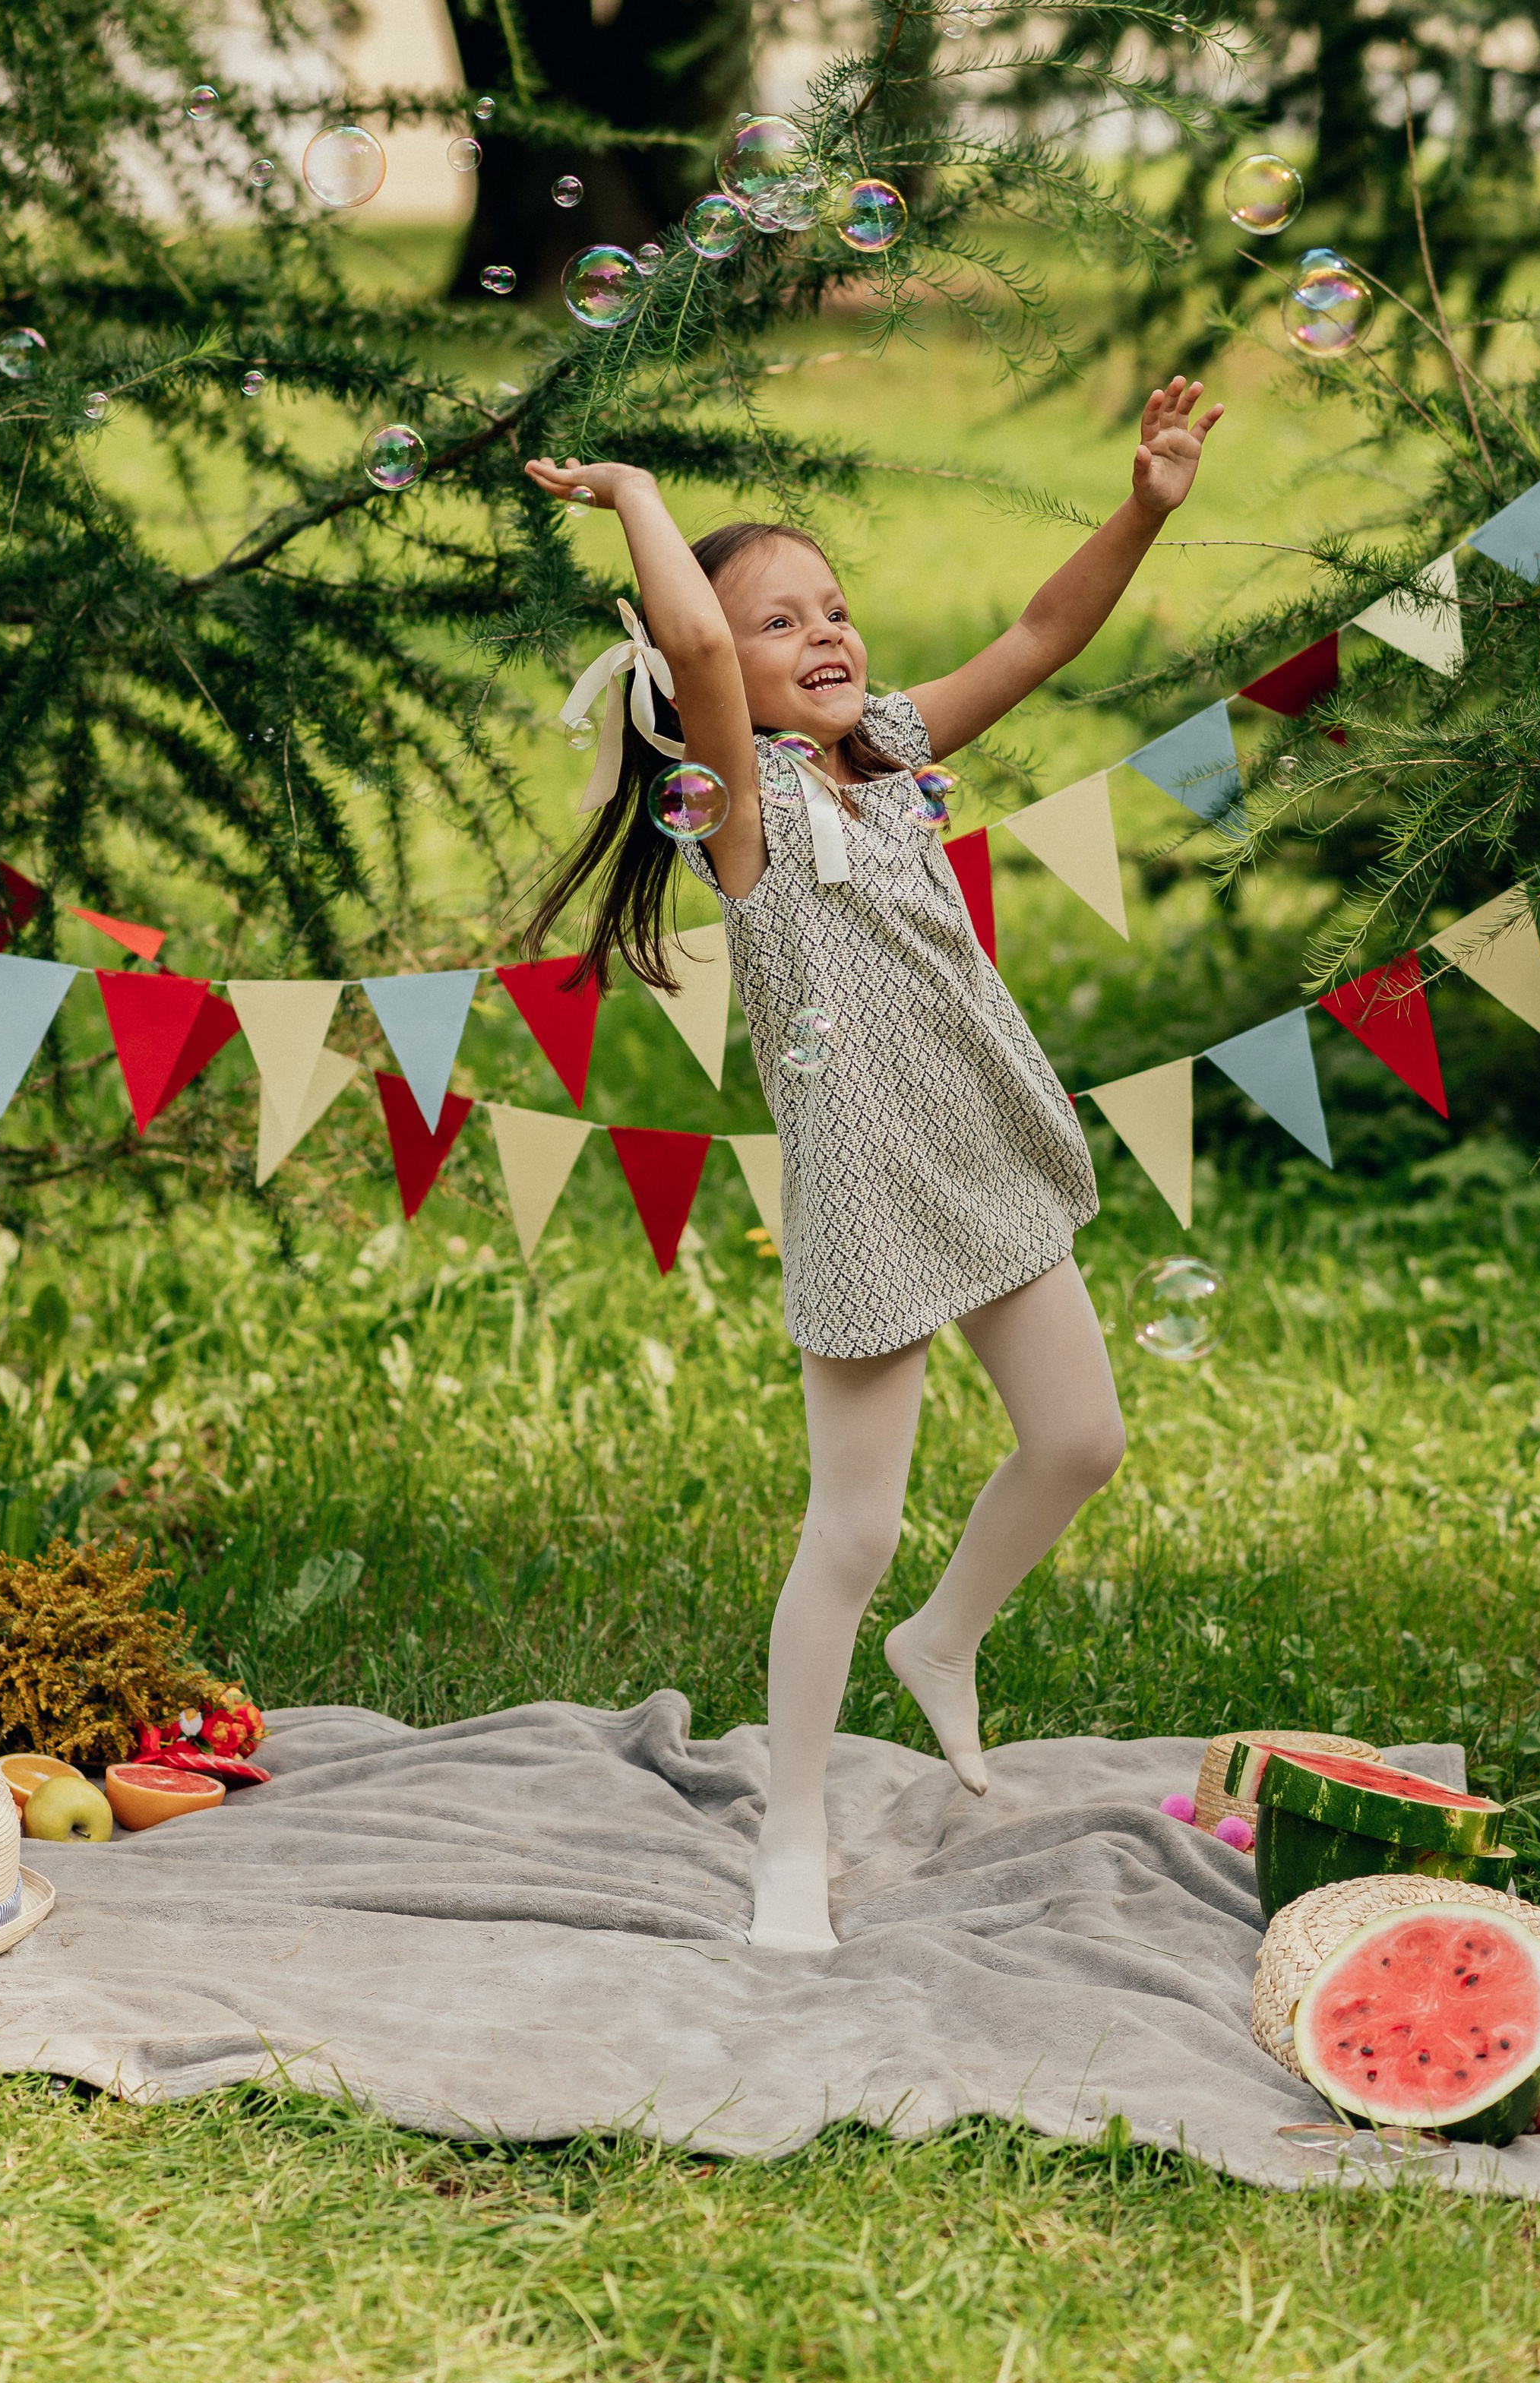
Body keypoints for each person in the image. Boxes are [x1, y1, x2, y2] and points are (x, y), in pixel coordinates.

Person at [523, 375, 1223, 1950]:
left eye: (831, 605)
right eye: (780, 625)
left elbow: (1039, 635)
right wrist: (635, 490)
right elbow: (691, 645)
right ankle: (792, 1838)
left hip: (979, 1144)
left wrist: (1144, 506)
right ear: (715, 679)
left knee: (1080, 1440)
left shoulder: (894, 752)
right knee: (847, 1527)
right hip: (862, 1190)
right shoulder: (746, 818)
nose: (822, 635)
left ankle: (945, 1642)